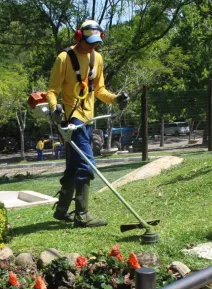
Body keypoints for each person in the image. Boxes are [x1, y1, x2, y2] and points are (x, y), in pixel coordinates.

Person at [46, 18, 129, 228]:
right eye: (88, 42)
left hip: (88, 118)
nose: (91, 46)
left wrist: (116, 99)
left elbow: (99, 90)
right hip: (71, 120)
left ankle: (61, 211)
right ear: (78, 36)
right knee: (87, 163)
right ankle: (82, 216)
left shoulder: (97, 58)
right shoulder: (64, 58)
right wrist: (55, 107)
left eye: (95, 43)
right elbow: (52, 91)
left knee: (74, 166)